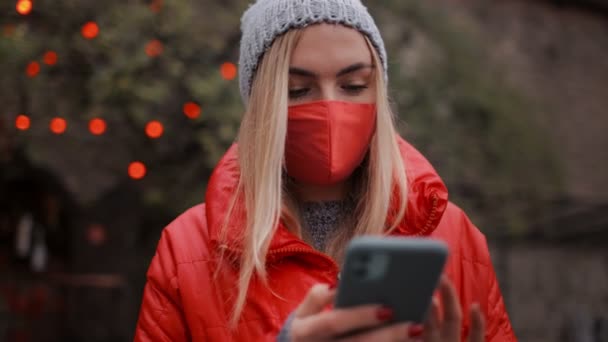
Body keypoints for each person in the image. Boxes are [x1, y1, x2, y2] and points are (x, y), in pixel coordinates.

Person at [134, 0, 517, 341]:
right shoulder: (186, 249)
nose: (330, 109)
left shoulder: (453, 235)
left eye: (353, 86)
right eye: (297, 91)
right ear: (262, 106)